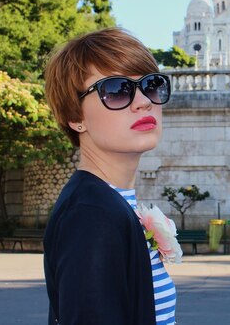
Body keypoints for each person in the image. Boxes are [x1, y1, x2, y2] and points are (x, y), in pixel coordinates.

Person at [43, 27, 176, 324]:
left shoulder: (108, 202)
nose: (144, 101)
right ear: (75, 117)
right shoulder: (91, 214)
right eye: (117, 91)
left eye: (152, 85)